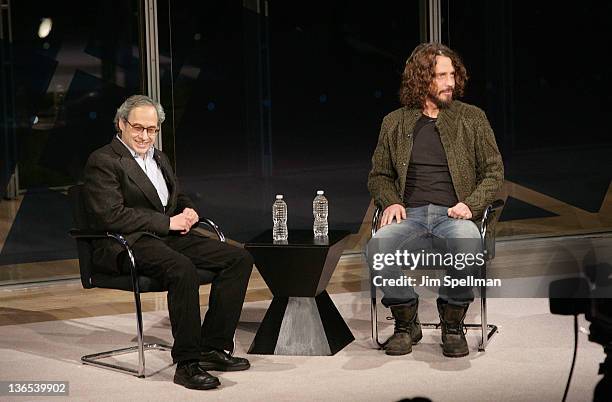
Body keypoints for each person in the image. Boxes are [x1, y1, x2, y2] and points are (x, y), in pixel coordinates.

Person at [83, 95, 254, 390]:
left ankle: (212, 347)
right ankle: (187, 364)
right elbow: (111, 215)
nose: (145, 136)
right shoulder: (104, 161)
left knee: (238, 259)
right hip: (127, 243)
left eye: (152, 130)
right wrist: (167, 223)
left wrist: (187, 210)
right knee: (182, 268)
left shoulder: (159, 157)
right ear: (121, 124)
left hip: (166, 237)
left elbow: (173, 197)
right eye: (138, 128)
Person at [367, 43, 504, 357]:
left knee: (468, 245)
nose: (450, 82)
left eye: (452, 74)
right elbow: (379, 175)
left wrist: (471, 204)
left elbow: (494, 171)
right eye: (441, 76)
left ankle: (453, 325)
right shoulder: (395, 122)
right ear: (421, 80)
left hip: (454, 214)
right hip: (409, 215)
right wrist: (390, 201)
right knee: (377, 249)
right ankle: (406, 323)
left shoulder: (472, 118)